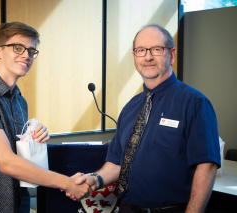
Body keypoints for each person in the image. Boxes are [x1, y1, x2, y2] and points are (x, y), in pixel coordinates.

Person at [69, 24, 220, 213]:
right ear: (135, 57)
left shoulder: (195, 103)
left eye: (156, 49)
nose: (147, 57)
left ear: (171, 55)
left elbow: (207, 166)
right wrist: (93, 179)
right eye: (141, 50)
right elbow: (117, 163)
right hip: (127, 209)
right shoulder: (130, 108)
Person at [0, 22, 90, 213]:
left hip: (20, 202)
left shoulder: (20, 101)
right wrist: (67, 183)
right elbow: (6, 161)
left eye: (31, 51)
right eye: (18, 48)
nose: (26, 55)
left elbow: (17, 154)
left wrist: (33, 139)